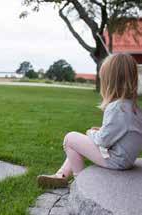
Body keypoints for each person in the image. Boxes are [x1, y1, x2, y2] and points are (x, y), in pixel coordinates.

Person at [37, 53, 142, 188]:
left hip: (116, 160)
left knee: (70, 139)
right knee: (78, 144)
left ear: (109, 82)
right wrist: (101, 131)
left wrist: (90, 133)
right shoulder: (133, 108)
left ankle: (81, 184)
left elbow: (103, 140)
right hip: (126, 159)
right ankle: (61, 175)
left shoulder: (117, 108)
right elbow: (122, 132)